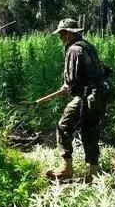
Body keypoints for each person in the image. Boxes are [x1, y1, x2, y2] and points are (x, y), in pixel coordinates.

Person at [46, 18, 108, 183]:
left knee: (63, 127)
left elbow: (72, 79)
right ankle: (93, 172)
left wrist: (67, 85)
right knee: (90, 132)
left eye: (61, 33)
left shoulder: (74, 49)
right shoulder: (88, 46)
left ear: (68, 34)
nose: (60, 37)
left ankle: (66, 168)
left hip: (84, 97)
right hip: (98, 97)